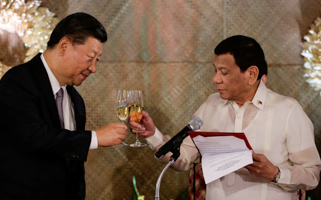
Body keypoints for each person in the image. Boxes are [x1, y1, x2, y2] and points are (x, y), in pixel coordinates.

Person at [130, 35, 321, 200]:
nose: (215, 79)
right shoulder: (211, 106)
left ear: (251, 73)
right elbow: (182, 159)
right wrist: (152, 134)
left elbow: (312, 175)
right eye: (215, 71)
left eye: (224, 72)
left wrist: (276, 174)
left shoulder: (288, 110)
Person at [0, 12, 127, 200]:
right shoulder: (18, 81)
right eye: (90, 58)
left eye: (97, 61)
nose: (93, 68)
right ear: (64, 46)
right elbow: (35, 138)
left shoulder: (76, 101)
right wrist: (95, 138)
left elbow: (72, 167)